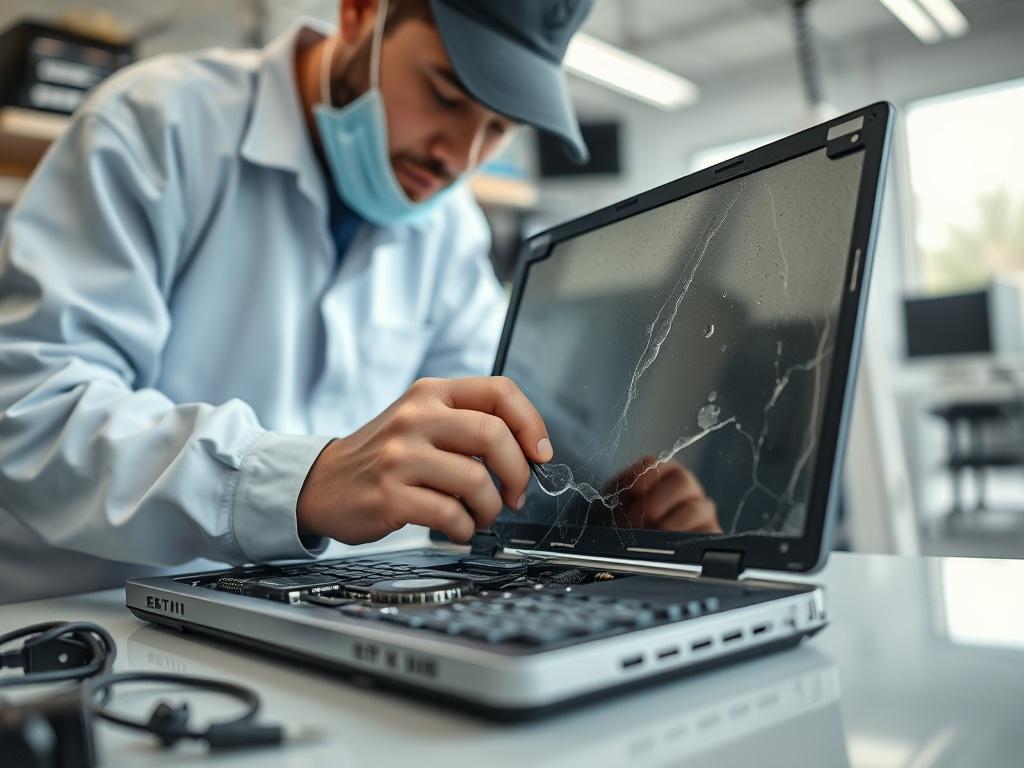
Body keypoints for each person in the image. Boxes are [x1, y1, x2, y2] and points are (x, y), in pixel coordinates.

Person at [0, 0, 596, 603]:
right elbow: (37, 410)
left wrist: (602, 500)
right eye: (445, 94)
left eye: (498, 128)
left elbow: (493, 429)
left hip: (321, 617)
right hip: (87, 621)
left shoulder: (450, 230)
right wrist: (307, 482)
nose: (459, 159)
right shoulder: (155, 124)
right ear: (362, 14)